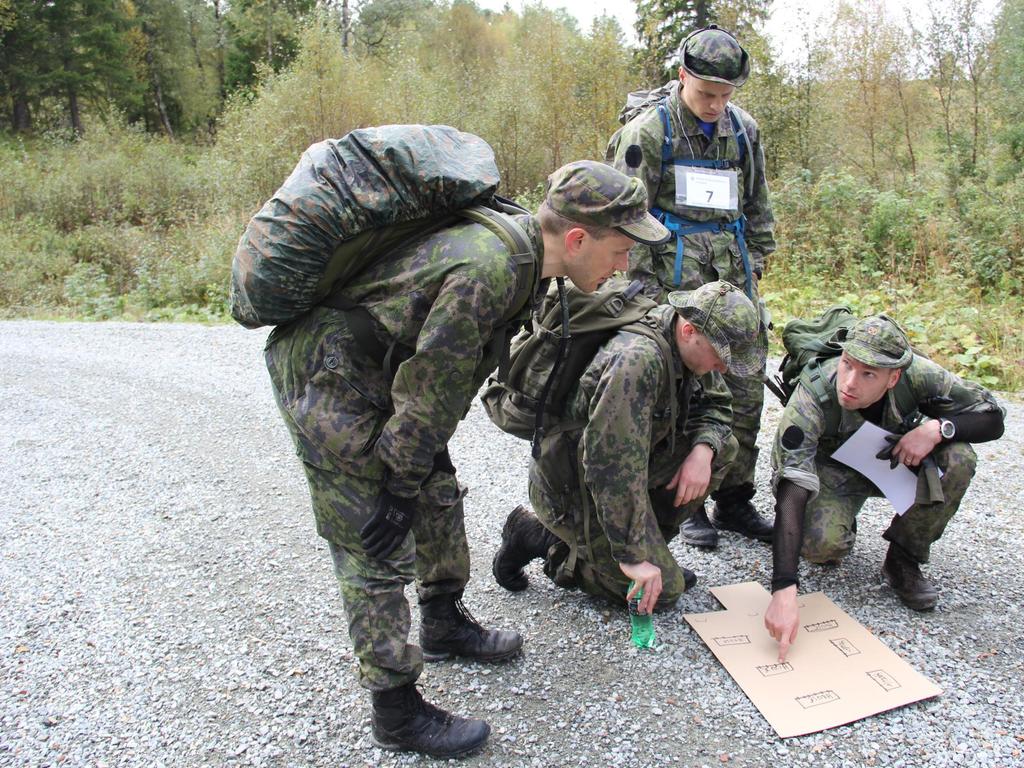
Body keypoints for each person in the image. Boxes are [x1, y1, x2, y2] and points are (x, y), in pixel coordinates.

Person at [263, 159, 670, 759]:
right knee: (373, 537)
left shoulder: (529, 259)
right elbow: (431, 386)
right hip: (332, 380)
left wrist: (415, 473)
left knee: (436, 491)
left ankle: (443, 620)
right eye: (619, 251)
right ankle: (395, 710)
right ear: (578, 239)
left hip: (389, 378)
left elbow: (435, 394)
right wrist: (396, 486)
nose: (623, 267)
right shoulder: (494, 268)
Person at [492, 281, 763, 614]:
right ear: (689, 329)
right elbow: (610, 471)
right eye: (721, 356)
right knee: (664, 594)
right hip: (575, 485)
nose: (723, 367)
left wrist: (703, 450)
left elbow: (718, 405)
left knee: (724, 449)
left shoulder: (687, 341)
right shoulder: (637, 362)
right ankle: (538, 537)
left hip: (628, 464)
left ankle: (640, 548)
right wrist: (633, 558)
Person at [606, 25, 776, 548]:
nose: (715, 104)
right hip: (671, 287)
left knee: (744, 384)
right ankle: (690, 501)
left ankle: (734, 496)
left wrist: (760, 260)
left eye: (725, 96)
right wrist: (640, 299)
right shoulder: (649, 133)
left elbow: (757, 204)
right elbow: (623, 220)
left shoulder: (742, 131)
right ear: (683, 77)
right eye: (706, 93)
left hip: (732, 280)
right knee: (686, 389)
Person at [763, 315, 1005, 661]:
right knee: (821, 547)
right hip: (833, 469)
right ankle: (841, 515)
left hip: (892, 459)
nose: (849, 382)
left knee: (959, 459)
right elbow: (792, 488)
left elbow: (993, 418)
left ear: (894, 377)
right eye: (847, 365)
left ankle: (903, 559)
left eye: (868, 375)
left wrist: (937, 429)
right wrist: (784, 588)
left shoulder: (919, 374)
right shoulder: (814, 393)